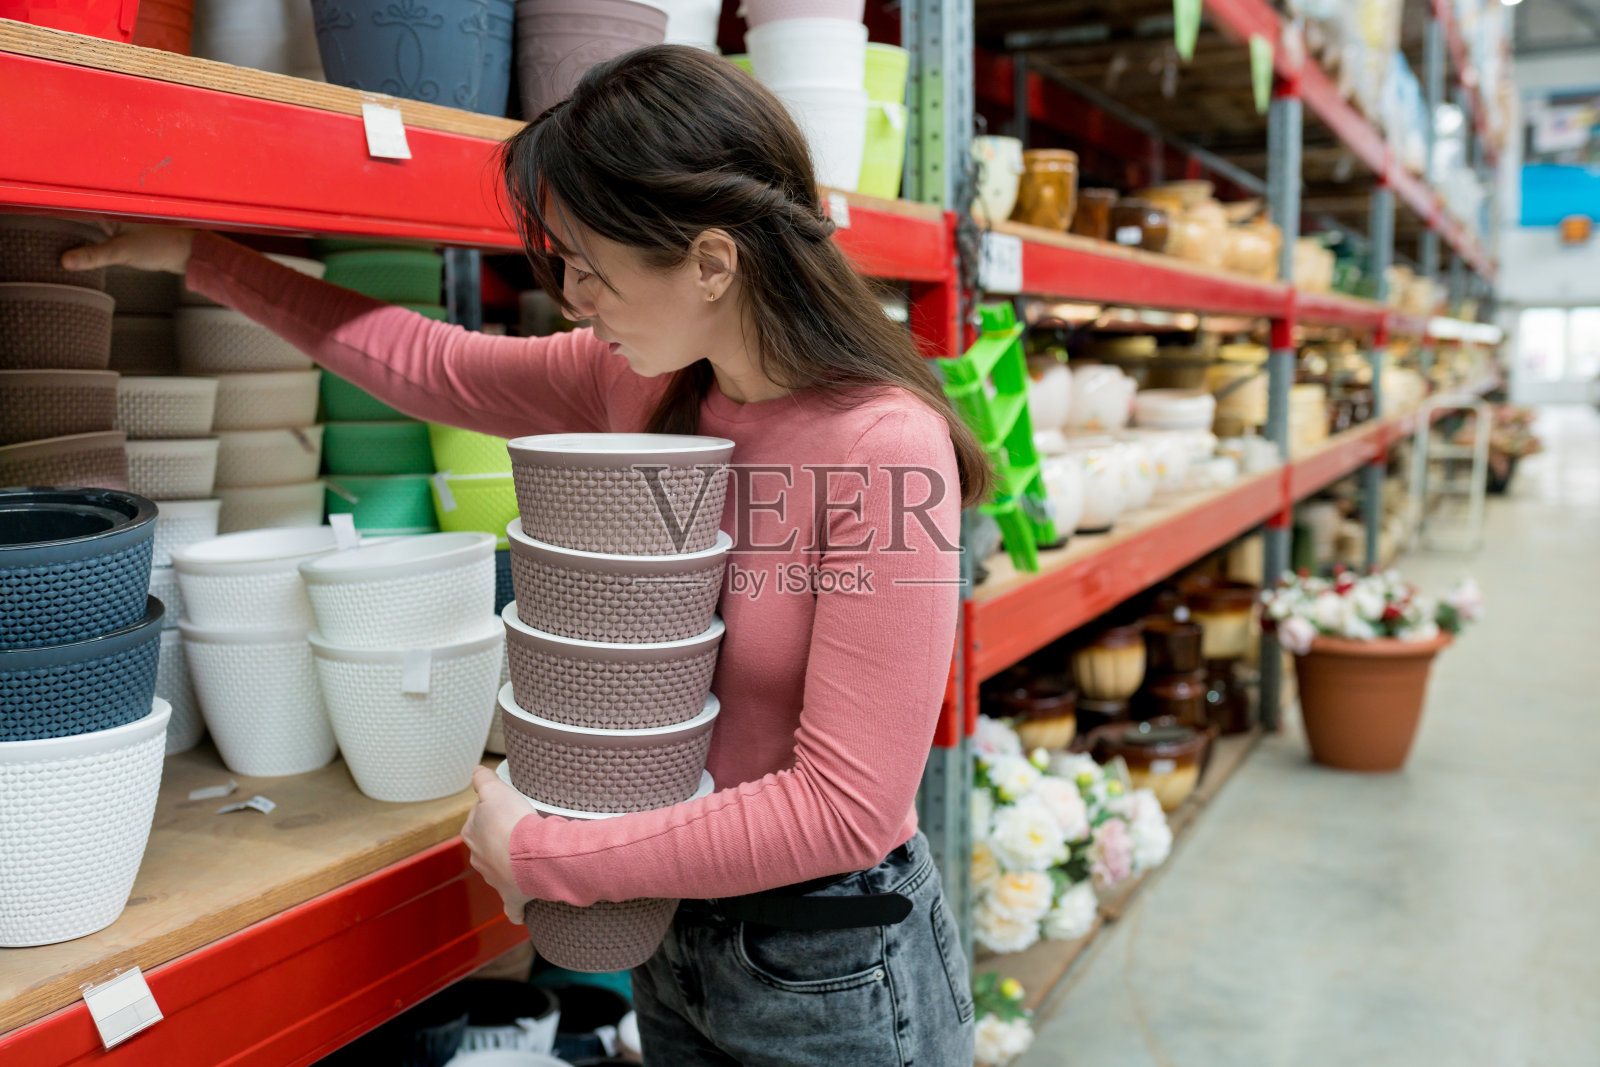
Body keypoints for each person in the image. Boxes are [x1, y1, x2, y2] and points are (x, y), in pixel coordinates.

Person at [65, 45, 984, 1066]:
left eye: (589, 264)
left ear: (712, 261)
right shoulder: (644, 380)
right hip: (669, 920)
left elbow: (845, 809)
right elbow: (434, 366)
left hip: (829, 959)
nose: (573, 296)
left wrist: (550, 854)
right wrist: (199, 257)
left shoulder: (885, 450)